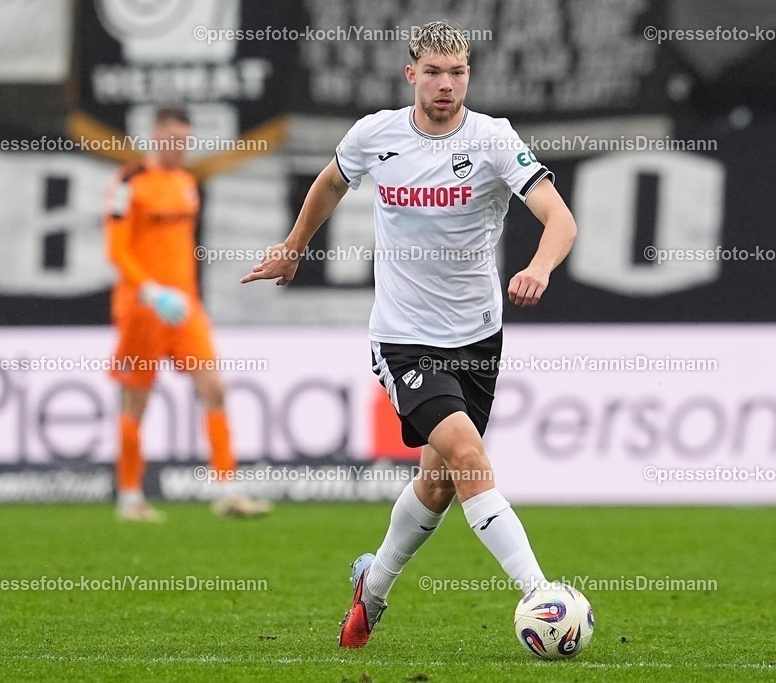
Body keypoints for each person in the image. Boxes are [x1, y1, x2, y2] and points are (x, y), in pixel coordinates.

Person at [241, 21, 577, 647]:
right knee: (471, 456)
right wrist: (293, 248)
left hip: (477, 339)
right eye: (434, 73)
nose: (446, 85)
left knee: (440, 480)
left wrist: (539, 265)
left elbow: (559, 217)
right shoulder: (376, 135)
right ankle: (541, 595)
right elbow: (332, 182)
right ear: (411, 75)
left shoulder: (494, 140)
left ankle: (372, 588)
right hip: (403, 337)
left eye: (457, 73)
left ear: (468, 75)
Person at [105, 104, 270, 521]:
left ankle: (228, 490)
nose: (180, 148)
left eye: (185, 141)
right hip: (143, 308)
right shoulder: (129, 181)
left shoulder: (185, 183)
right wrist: (151, 292)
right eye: (174, 140)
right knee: (136, 402)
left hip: (186, 307)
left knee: (214, 388)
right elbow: (117, 249)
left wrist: (179, 295)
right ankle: (129, 497)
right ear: (155, 135)